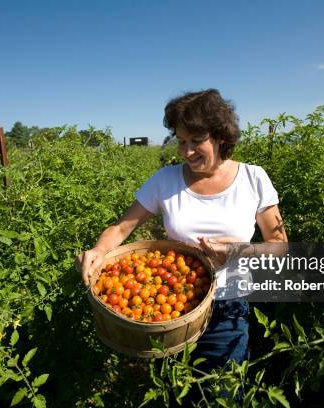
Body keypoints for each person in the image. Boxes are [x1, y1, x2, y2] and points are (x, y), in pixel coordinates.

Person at [78, 88, 287, 373]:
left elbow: (280, 246)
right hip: (170, 308)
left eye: (197, 141)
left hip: (228, 309)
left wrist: (239, 251)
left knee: (221, 390)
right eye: (181, 141)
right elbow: (120, 227)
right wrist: (100, 250)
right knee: (176, 390)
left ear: (221, 137)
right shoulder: (165, 180)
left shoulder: (253, 179)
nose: (187, 151)